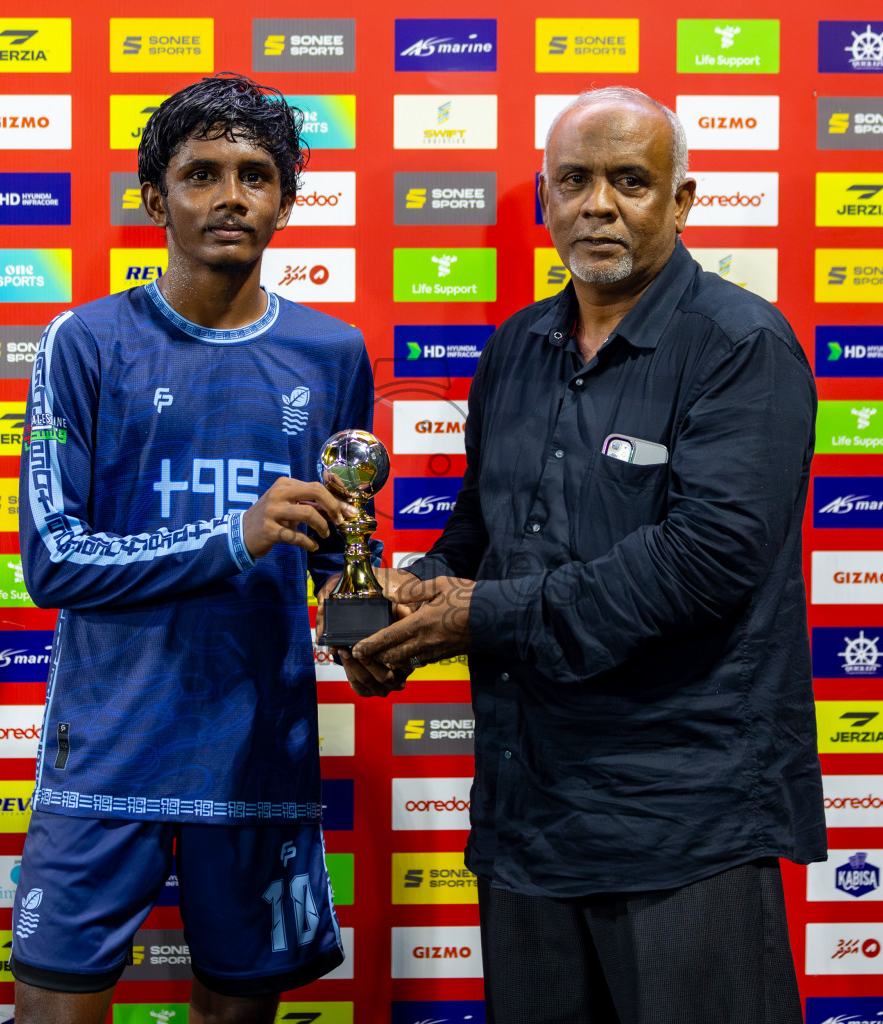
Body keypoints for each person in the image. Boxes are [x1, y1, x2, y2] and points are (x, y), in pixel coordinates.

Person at [347, 88, 826, 1023]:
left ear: (681, 203)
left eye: (631, 181)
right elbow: (479, 538)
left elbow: (708, 558)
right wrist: (408, 605)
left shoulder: (741, 346)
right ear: (544, 199)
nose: (598, 205)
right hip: (529, 812)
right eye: (575, 180)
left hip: (680, 819)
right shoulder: (517, 349)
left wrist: (475, 614)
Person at [12, 74, 371, 1024]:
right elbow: (55, 561)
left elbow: (342, 558)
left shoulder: (333, 354)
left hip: (257, 761)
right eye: (201, 172)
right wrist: (236, 534)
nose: (230, 195)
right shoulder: (83, 341)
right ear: (154, 197)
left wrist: (376, 625)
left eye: (256, 175)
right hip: (108, 757)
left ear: (287, 202)